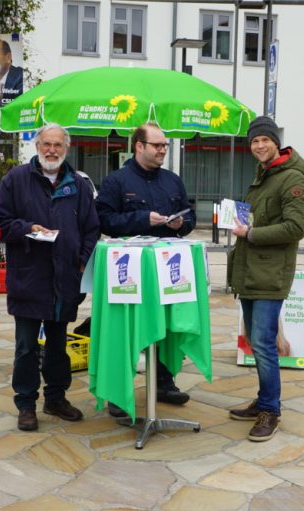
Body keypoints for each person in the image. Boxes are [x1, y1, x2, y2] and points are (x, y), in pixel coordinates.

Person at [0, 123, 100, 432]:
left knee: (57, 346)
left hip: (65, 280)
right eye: (46, 144)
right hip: (30, 278)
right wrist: (29, 228)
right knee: (27, 347)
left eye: (57, 145)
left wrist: (81, 264)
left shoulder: (78, 185)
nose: (51, 150)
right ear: (36, 145)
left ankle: (56, 398)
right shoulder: (16, 179)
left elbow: (91, 229)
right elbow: (1, 223)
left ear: (66, 149)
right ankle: (26, 404)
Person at [96, 121, 196, 418]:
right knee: (126, 329)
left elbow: (188, 218)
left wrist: (182, 224)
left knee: (164, 326)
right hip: (129, 272)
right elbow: (104, 221)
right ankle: (117, 390)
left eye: (165, 145)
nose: (163, 149)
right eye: (157, 145)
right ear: (139, 146)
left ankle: (164, 382)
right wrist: (143, 219)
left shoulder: (172, 181)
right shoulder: (117, 181)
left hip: (167, 270)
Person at [227, 115, 304, 442]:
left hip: (270, 273)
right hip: (252, 271)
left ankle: (270, 412)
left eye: (264, 140)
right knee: (256, 342)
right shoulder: (266, 174)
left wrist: (251, 232)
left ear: (276, 142)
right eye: (254, 142)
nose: (259, 146)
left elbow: (296, 227)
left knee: (263, 345)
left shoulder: (292, 178)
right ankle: (263, 401)